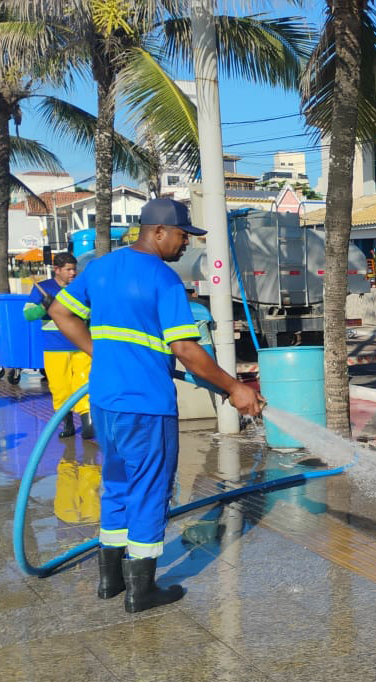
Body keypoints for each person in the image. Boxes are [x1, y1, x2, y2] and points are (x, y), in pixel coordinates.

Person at [49, 197, 264, 614]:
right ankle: (142, 590)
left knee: (116, 485)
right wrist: (235, 387)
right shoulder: (163, 281)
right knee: (149, 490)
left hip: (106, 403)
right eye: (184, 235)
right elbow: (185, 348)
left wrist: (101, 353)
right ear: (159, 231)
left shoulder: (102, 268)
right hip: (146, 405)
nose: (187, 244)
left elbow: (60, 311)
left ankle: (110, 580)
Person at [23, 253, 94, 439]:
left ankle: (88, 423)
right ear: (57, 270)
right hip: (54, 346)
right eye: (68, 270)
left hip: (81, 344)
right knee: (60, 388)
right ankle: (67, 423)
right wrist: (43, 307)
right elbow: (28, 315)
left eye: (74, 269)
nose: (73, 273)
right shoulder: (43, 288)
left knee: (84, 383)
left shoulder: (80, 287)